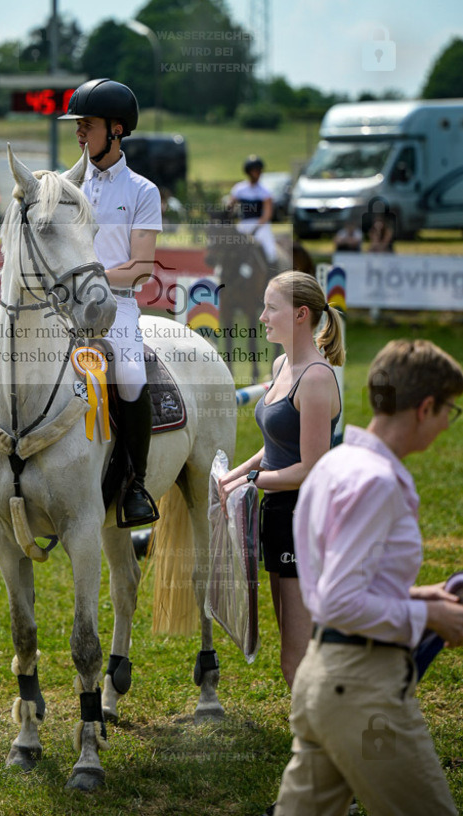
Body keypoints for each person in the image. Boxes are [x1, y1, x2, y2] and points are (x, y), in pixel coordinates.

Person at [0, 78, 163, 527]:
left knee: (129, 375)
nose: (79, 132)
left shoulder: (142, 191)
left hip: (115, 306)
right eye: (77, 125)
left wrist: (88, 282)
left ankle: (134, 483)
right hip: (57, 307)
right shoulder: (63, 185)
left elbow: (142, 266)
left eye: (88, 124)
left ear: (117, 129)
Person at [273, 339, 463, 816]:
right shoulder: (376, 481)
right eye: (450, 411)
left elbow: (339, 580)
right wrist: (429, 615)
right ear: (425, 408)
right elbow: (339, 600)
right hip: (363, 690)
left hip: (323, 680)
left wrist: (420, 595)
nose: (448, 424)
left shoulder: (335, 463)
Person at [218, 271, 344, 688]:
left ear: (301, 314)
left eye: (272, 308)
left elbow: (311, 467)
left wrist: (252, 480)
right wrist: (235, 475)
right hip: (275, 514)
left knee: (296, 655)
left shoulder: (317, 378)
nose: (262, 316)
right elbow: (275, 445)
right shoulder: (282, 364)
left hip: (301, 518)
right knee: (292, 644)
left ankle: (319, 725)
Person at [229, 155, 278, 269]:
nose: (257, 174)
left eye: (259, 171)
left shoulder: (265, 191)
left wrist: (256, 227)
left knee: (270, 250)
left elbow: (267, 213)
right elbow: (230, 207)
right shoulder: (239, 189)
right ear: (248, 172)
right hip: (243, 224)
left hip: (260, 225)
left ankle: (272, 270)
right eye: (255, 171)